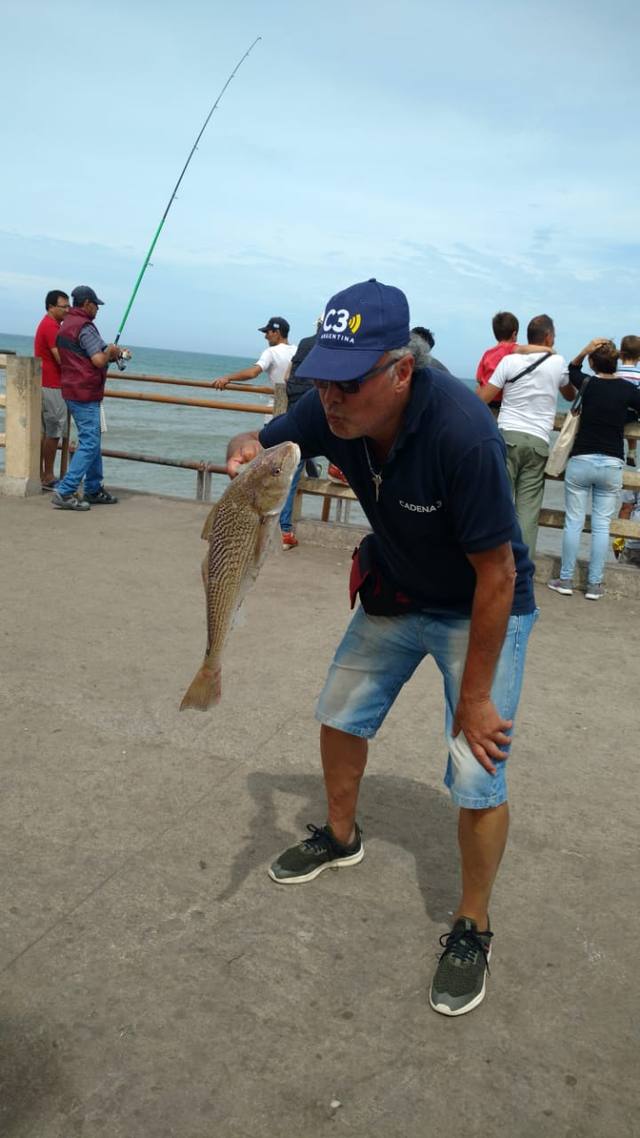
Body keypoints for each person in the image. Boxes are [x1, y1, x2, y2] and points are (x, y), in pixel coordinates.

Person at [225, 278, 537, 1017]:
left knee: (476, 770)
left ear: (401, 369)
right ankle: (339, 835)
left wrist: (474, 698)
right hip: (398, 588)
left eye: (350, 380)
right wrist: (243, 451)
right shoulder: (327, 404)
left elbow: (498, 573)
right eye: (322, 379)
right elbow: (258, 440)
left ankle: (472, 924)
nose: (331, 399)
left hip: (479, 606)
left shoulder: (463, 430)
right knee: (338, 712)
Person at [547, 339, 640, 600]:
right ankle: (594, 585)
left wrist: (584, 350)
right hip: (611, 462)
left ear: (592, 362)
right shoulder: (626, 389)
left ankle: (565, 579)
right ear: (617, 362)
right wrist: (629, 418)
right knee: (601, 526)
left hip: (582, 460)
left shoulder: (587, 384)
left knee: (573, 522)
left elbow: (571, 369)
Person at [476, 314, 574, 558]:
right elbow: (570, 395)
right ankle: (522, 567)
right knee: (528, 512)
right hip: (538, 442)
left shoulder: (509, 361)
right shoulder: (558, 362)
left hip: (507, 435)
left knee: (500, 505)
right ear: (549, 336)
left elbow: (483, 398)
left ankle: (495, 562)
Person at [52, 285, 128, 512]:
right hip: (85, 392)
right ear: (87, 304)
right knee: (90, 442)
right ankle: (65, 491)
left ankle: (93, 488)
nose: (98, 309)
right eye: (96, 305)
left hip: (72, 390)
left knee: (92, 439)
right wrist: (112, 353)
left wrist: (111, 353)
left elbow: (82, 356)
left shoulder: (66, 326)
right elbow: (97, 360)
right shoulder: (85, 327)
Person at [279, 319, 321, 549]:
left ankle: (285, 531)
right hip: (315, 412)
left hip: (294, 412)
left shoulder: (304, 344)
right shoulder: (332, 346)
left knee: (293, 468)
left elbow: (287, 377)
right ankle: (285, 530)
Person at [34, 289, 70, 489]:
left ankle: (41, 473)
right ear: (51, 307)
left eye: (68, 306)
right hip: (52, 385)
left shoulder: (51, 325)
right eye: (63, 306)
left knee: (48, 431)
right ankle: (47, 476)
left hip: (48, 384)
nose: (67, 310)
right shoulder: (50, 327)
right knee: (54, 431)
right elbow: (61, 358)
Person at [212, 317, 297, 390]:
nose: (265, 336)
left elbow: (252, 373)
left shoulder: (271, 351)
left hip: (276, 404)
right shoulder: (297, 350)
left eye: (268, 332)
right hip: (296, 404)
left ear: (277, 333)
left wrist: (227, 378)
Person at [476, 312, 520, 402]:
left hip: (486, 401)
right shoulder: (513, 350)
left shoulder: (487, 353)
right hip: (502, 402)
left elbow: (479, 378)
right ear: (514, 334)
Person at [616, 334, 640, 467]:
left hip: (615, 411)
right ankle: (631, 451)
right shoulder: (638, 374)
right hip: (631, 413)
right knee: (633, 425)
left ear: (621, 354)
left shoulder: (615, 372)